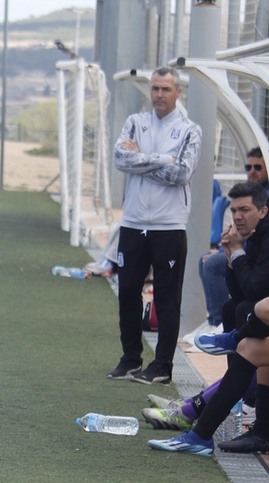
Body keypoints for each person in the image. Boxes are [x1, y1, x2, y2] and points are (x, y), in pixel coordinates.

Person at [148, 180, 269, 456]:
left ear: (263, 210)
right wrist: (231, 254)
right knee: (247, 335)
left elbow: (258, 291)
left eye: (244, 209)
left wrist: (237, 254)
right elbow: (241, 292)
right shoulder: (261, 234)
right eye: (233, 210)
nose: (237, 216)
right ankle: (210, 435)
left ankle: (235, 343)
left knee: (266, 308)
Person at [107, 66, 202, 385]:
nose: (159, 95)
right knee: (128, 291)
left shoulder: (190, 130)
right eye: (155, 89)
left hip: (169, 226)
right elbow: (120, 160)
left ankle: (162, 366)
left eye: (166, 89)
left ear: (178, 93)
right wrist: (163, 159)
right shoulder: (135, 123)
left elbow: (183, 174)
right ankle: (130, 358)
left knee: (166, 297)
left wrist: (143, 161)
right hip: (133, 223)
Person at [195, 148, 269, 333]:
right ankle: (217, 321)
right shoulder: (251, 194)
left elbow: (259, 240)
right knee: (207, 261)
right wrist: (228, 252)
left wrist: (234, 251)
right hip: (254, 254)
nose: (252, 171)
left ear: (262, 211)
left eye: (258, 167)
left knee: (212, 264)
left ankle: (218, 323)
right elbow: (247, 237)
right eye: (248, 167)